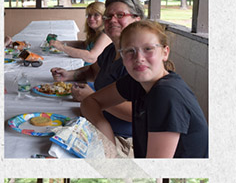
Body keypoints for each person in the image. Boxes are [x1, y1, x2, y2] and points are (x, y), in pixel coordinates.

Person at [81, 20, 208, 158]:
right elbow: (90, 102)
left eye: (148, 49)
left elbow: (156, 171)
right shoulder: (137, 81)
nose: (139, 58)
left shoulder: (166, 94)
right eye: (130, 51)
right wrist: (109, 144)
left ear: (165, 53)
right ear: (122, 57)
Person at [51, 0, 143, 147]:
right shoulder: (110, 50)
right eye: (108, 16)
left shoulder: (140, 60)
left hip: (122, 139)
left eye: (120, 15)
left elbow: (136, 114)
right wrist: (69, 75)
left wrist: (93, 98)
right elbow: (93, 71)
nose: (112, 20)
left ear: (136, 19)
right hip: (94, 124)